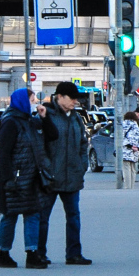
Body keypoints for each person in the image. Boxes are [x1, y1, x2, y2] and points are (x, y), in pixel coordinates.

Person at [0, 88, 56, 269]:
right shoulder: (11, 123)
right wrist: (8, 179)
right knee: (10, 215)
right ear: (23, 100)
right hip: (14, 178)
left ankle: (32, 253)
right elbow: (4, 153)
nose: (35, 101)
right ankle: (3, 253)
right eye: (32, 98)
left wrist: (45, 117)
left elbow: (53, 135)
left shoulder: (30, 121)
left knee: (33, 214)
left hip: (32, 177)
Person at [38, 81, 92, 266]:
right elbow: (40, 146)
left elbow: (83, 144)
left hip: (72, 175)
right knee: (43, 218)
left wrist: (82, 165)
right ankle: (40, 253)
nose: (75, 102)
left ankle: (74, 254)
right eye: (72, 98)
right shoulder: (47, 116)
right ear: (59, 97)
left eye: (77, 99)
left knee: (74, 217)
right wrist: (46, 169)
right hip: (50, 177)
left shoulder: (76, 118)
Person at [120, 111, 139, 189]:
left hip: (126, 150)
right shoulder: (137, 127)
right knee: (133, 169)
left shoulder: (123, 125)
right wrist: (138, 147)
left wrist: (129, 146)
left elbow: (121, 138)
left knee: (126, 168)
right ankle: (132, 186)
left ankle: (127, 186)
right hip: (135, 151)